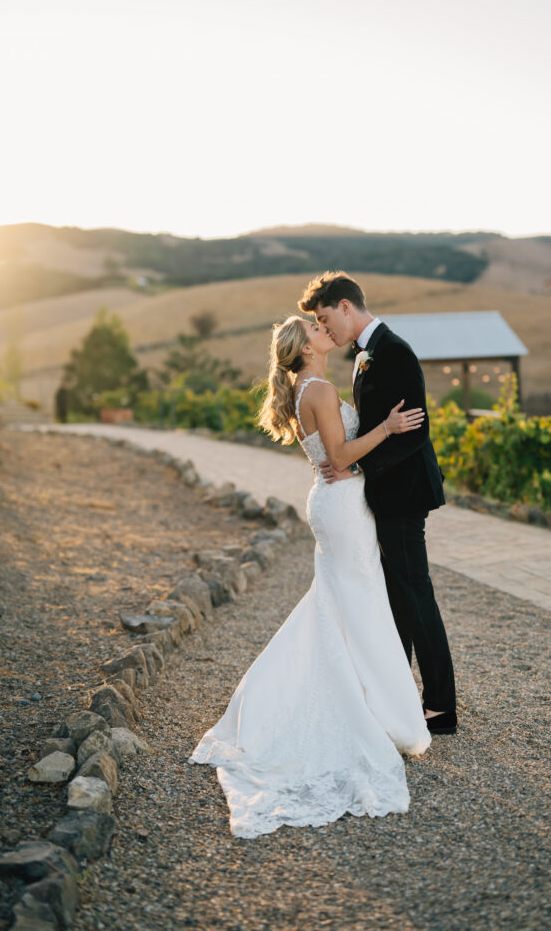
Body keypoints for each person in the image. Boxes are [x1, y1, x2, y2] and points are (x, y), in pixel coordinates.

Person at [189, 314, 431, 839]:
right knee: (360, 603)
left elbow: (333, 454)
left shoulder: (307, 388)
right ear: (305, 349)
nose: (326, 330)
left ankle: (371, 704)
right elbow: (340, 456)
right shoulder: (317, 387)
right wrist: (387, 429)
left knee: (343, 604)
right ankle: (374, 713)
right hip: (342, 505)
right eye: (316, 330)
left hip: (334, 501)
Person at [299, 271, 457, 734]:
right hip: (382, 495)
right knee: (397, 599)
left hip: (404, 493)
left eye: (327, 319)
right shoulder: (365, 354)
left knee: (416, 596)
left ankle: (441, 707)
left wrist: (361, 467)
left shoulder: (393, 351)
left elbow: (417, 429)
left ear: (346, 306)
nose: (326, 330)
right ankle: (397, 695)